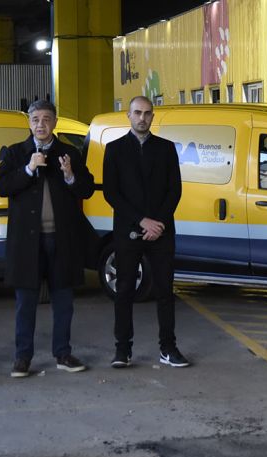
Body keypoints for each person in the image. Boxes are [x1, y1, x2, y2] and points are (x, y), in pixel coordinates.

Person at [0, 100, 94, 377]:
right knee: (25, 302)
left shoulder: (68, 153)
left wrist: (70, 175)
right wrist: (28, 169)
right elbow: (0, 186)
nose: (41, 124)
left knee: (64, 301)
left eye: (46, 119)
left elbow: (87, 189)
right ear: (29, 123)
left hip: (62, 240)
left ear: (55, 122)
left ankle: (63, 353)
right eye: (35, 119)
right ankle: (22, 358)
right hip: (27, 243)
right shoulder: (16, 153)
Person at [103, 96, 187, 368]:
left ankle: (168, 348)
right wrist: (142, 221)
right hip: (128, 231)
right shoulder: (114, 149)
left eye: (147, 113)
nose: (142, 118)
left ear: (153, 117)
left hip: (161, 231)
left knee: (165, 291)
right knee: (124, 290)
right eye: (137, 113)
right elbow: (111, 193)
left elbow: (175, 190)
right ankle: (122, 350)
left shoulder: (166, 149)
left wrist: (158, 223)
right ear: (128, 116)